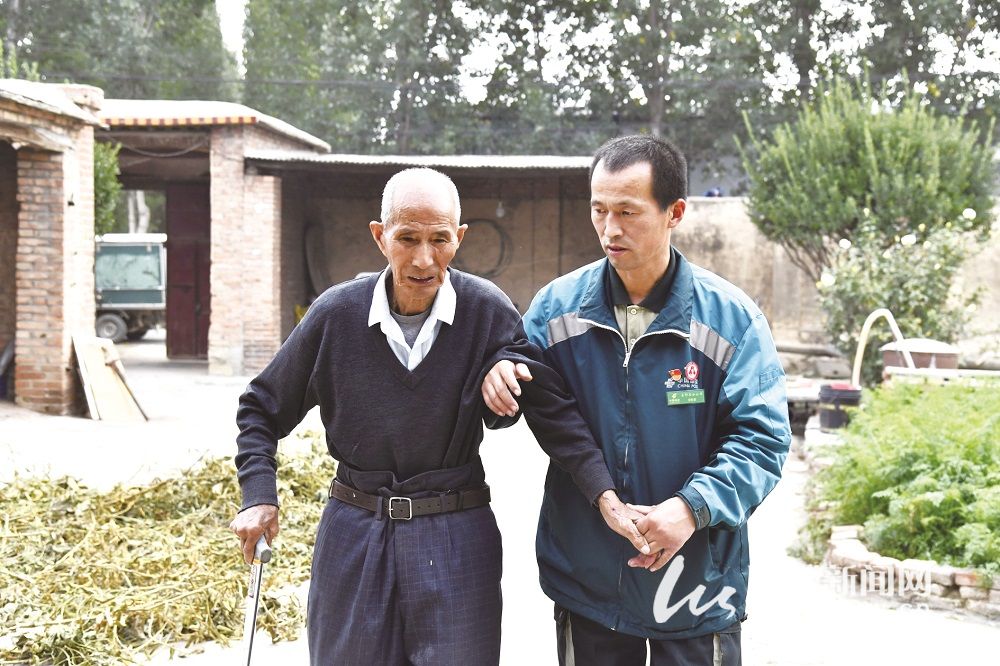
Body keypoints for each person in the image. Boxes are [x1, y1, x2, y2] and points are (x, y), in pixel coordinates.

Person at [230, 167, 648, 666]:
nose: (424, 259)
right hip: (354, 532)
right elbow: (261, 406)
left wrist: (605, 496)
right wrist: (259, 496)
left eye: (440, 240)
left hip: (455, 534)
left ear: (459, 237)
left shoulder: (487, 312)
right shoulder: (336, 315)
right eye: (407, 238)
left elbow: (553, 414)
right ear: (380, 236)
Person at [482, 136, 791, 665]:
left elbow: (762, 440)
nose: (609, 229)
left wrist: (691, 508)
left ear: (675, 213)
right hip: (589, 575)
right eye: (599, 210)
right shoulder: (556, 309)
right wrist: (497, 378)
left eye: (627, 212)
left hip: (696, 582)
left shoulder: (731, 320)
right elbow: (518, 393)